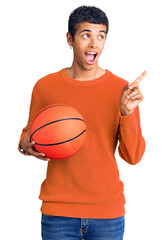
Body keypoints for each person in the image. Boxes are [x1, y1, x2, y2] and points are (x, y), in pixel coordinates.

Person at [18, 5, 146, 240]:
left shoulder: (122, 90)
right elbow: (28, 138)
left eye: (101, 36)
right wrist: (25, 146)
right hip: (58, 213)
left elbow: (134, 156)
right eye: (86, 35)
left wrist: (127, 114)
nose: (94, 44)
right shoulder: (45, 86)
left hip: (107, 214)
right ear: (70, 38)